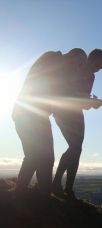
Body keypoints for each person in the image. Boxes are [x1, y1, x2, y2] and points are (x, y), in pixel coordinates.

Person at [52, 49, 102, 199]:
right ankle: (58, 184)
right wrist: (87, 100)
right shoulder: (74, 67)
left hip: (76, 113)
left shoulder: (91, 77)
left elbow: (82, 101)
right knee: (75, 147)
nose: (98, 70)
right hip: (62, 110)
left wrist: (92, 103)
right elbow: (65, 91)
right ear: (90, 58)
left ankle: (68, 188)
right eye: (97, 65)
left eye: (101, 68)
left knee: (77, 149)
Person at [12, 51, 63, 197]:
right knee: (41, 156)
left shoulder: (47, 65)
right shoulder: (53, 65)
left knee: (37, 155)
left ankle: (33, 191)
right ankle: (38, 193)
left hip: (27, 115)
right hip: (32, 116)